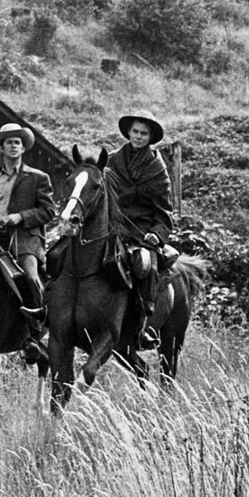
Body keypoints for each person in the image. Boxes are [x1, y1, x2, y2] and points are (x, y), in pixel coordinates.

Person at [0, 121, 56, 365]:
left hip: (25, 240)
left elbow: (48, 210)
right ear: (1, 148)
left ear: (23, 148)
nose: (13, 147)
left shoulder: (37, 178)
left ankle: (33, 334)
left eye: (17, 143)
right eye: (9, 142)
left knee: (29, 276)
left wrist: (21, 217)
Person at [106, 110, 175, 350]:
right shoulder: (113, 159)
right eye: (135, 131)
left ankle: (142, 324)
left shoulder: (158, 169)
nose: (138, 137)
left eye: (143, 133)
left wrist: (157, 234)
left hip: (142, 231)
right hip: (111, 226)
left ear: (150, 137)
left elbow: (165, 212)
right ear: (128, 132)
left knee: (144, 264)